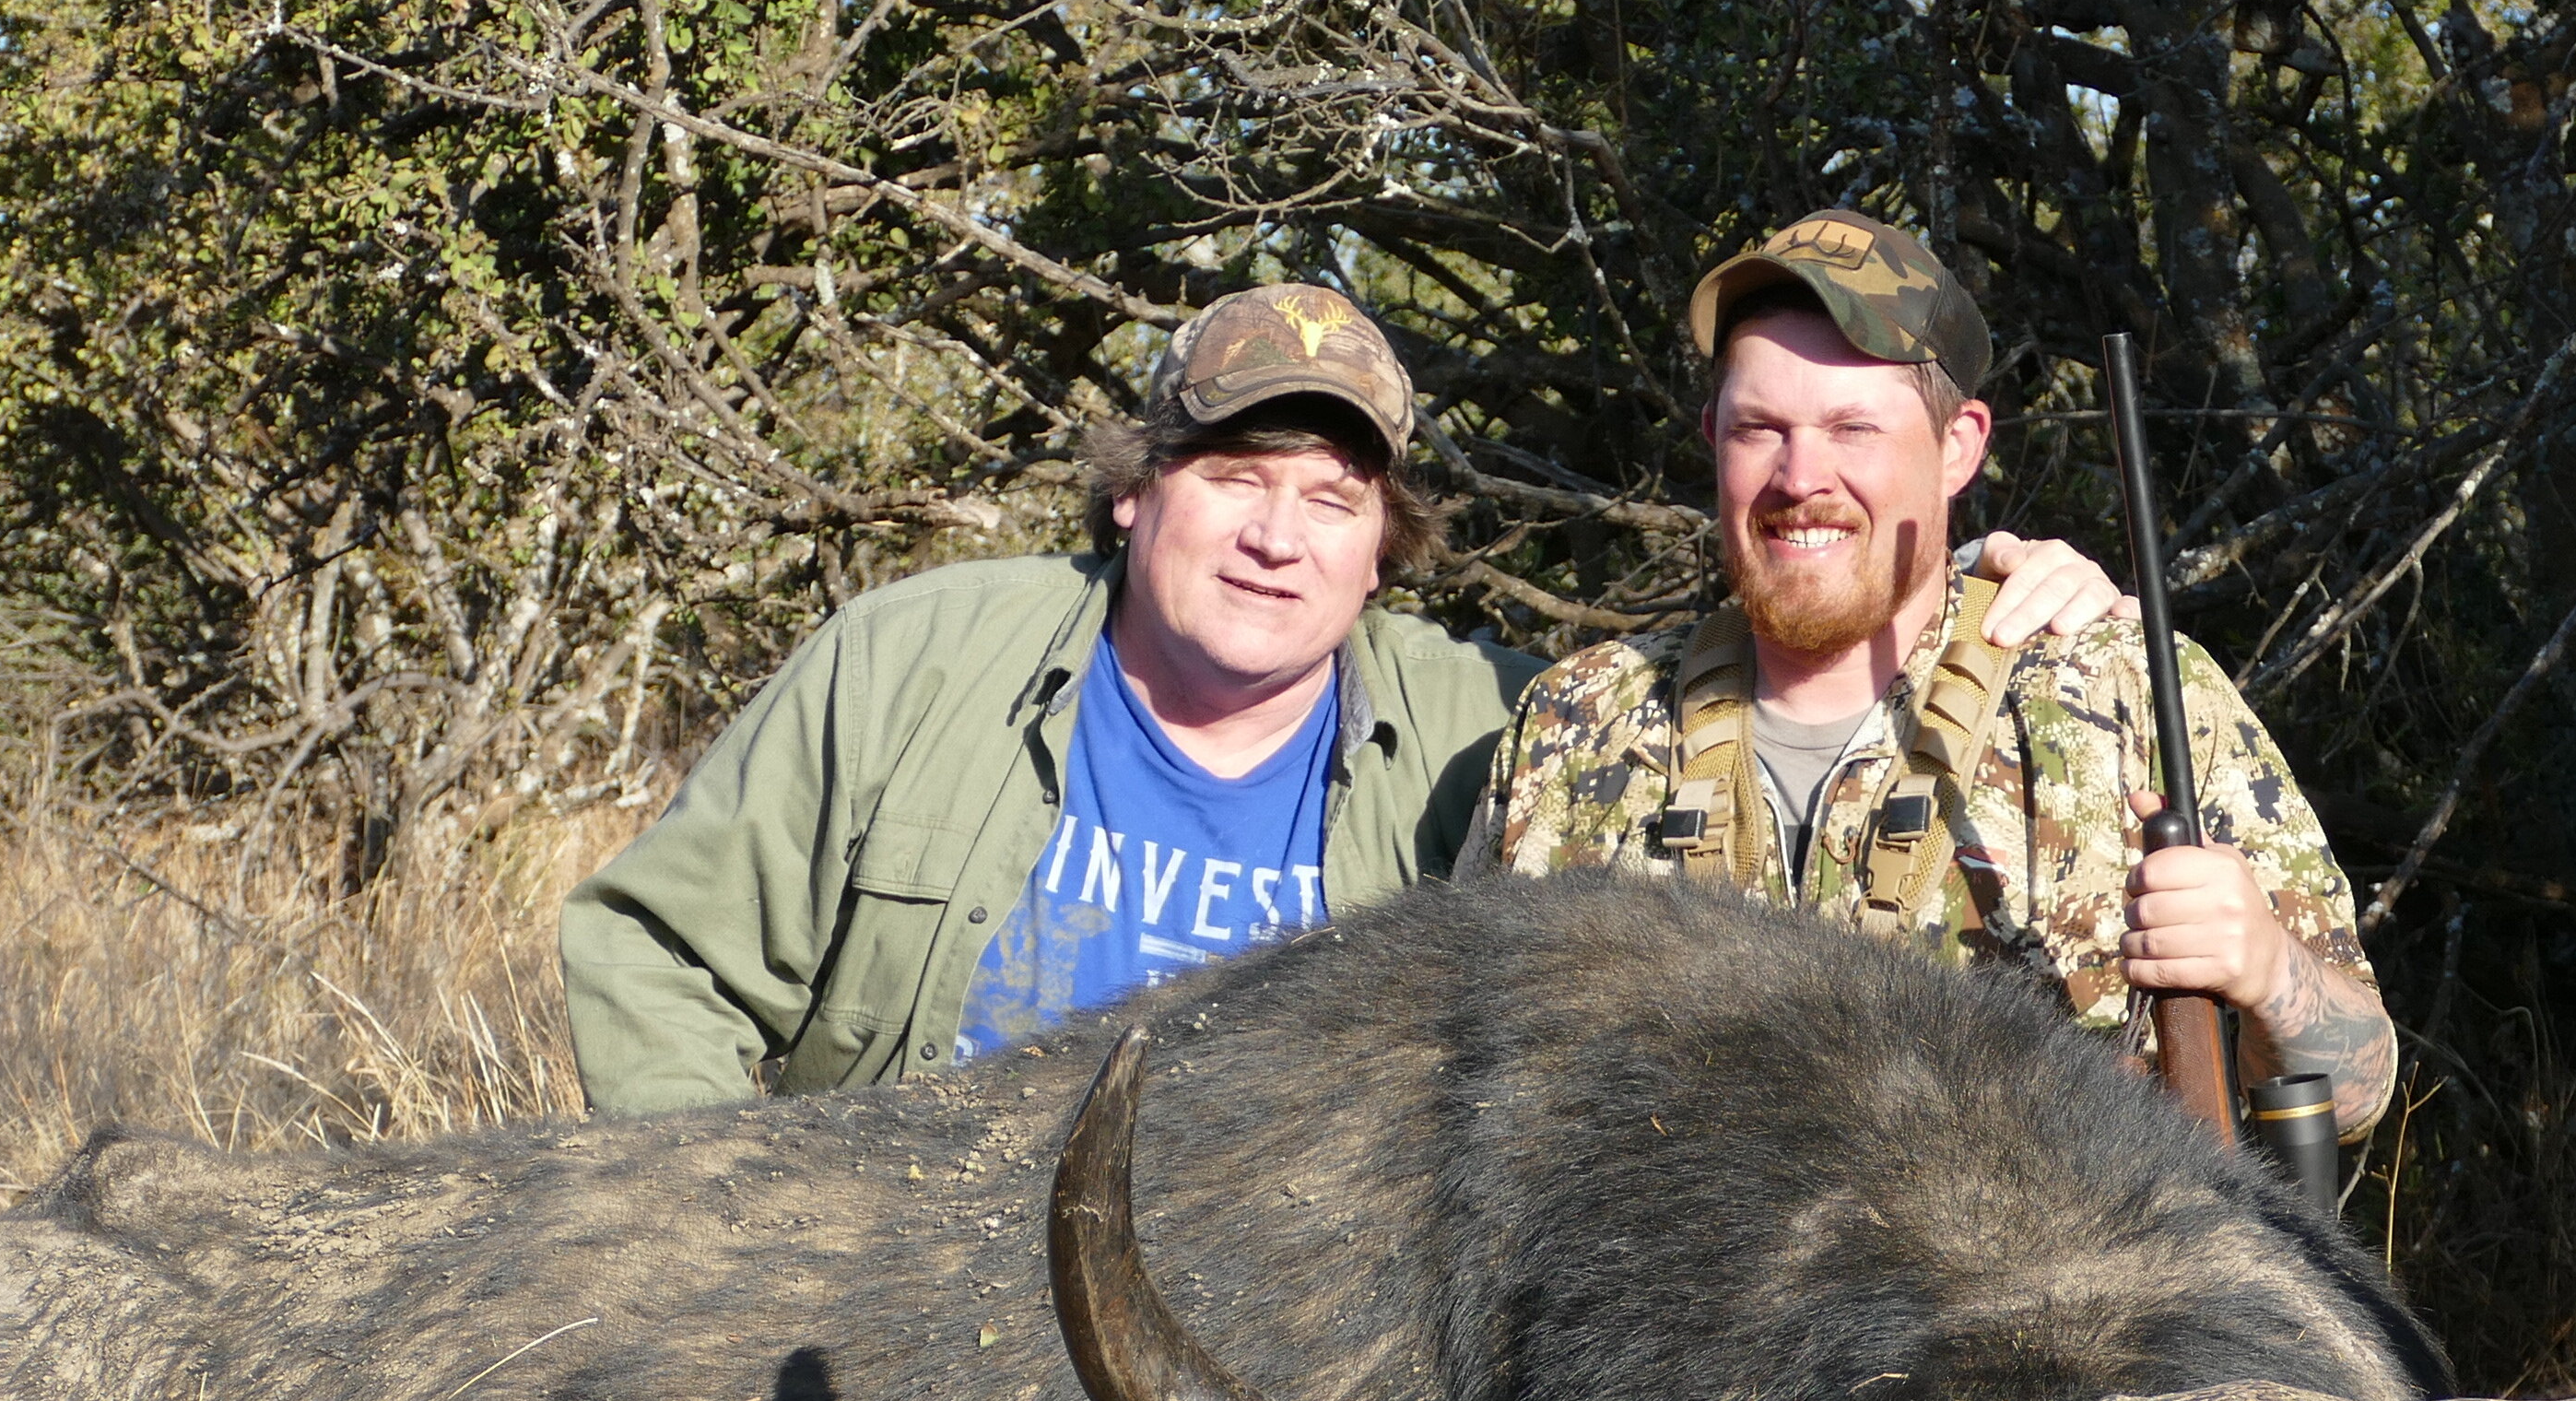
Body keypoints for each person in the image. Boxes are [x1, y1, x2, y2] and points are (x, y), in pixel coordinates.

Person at [563, 281, 2130, 1112]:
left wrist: (1981, 584)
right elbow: (653, 956)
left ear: (1387, 548)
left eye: (1330, 498)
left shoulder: (1498, 728)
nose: (1273, 536)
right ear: (1132, 495)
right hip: (904, 1272)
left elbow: (1755, 649)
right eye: (1235, 477)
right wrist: (747, 1234)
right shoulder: (913, 662)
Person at [1484, 209, 2397, 1126]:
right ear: (1711, 436)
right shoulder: (1575, 724)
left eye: (1853, 429)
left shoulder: (2130, 698)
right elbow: (1462, 1072)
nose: (1801, 477)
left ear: (1958, 445)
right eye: (1760, 428)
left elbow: (2357, 1089)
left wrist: (2271, 972)